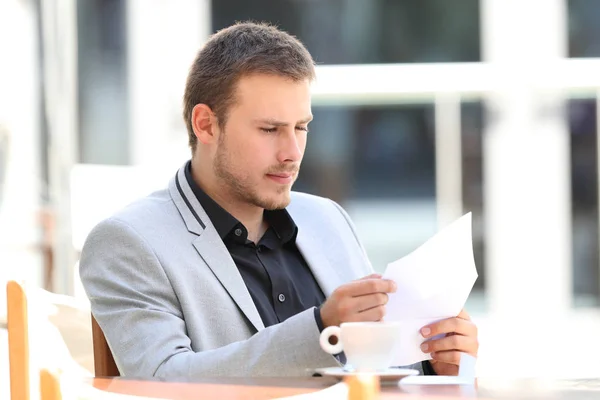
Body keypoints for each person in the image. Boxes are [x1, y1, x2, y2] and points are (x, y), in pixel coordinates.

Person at [79, 21, 478, 378]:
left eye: (301, 127)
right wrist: (321, 330)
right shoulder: (128, 242)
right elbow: (162, 379)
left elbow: (376, 366)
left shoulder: (328, 219)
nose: (292, 152)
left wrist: (433, 363)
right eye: (270, 129)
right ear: (205, 125)